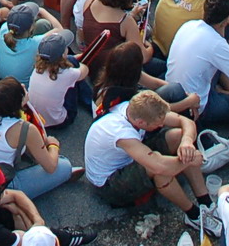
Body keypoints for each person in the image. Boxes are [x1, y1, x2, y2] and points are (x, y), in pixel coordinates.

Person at [83, 89, 213, 232]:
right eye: (157, 124)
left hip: (128, 158)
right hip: (109, 184)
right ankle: (194, 215)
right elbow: (159, 166)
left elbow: (185, 121)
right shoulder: (121, 133)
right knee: (160, 171)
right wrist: (189, 160)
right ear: (140, 122)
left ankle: (206, 202)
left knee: (179, 137)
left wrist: (187, 142)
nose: (161, 126)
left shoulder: (136, 109)